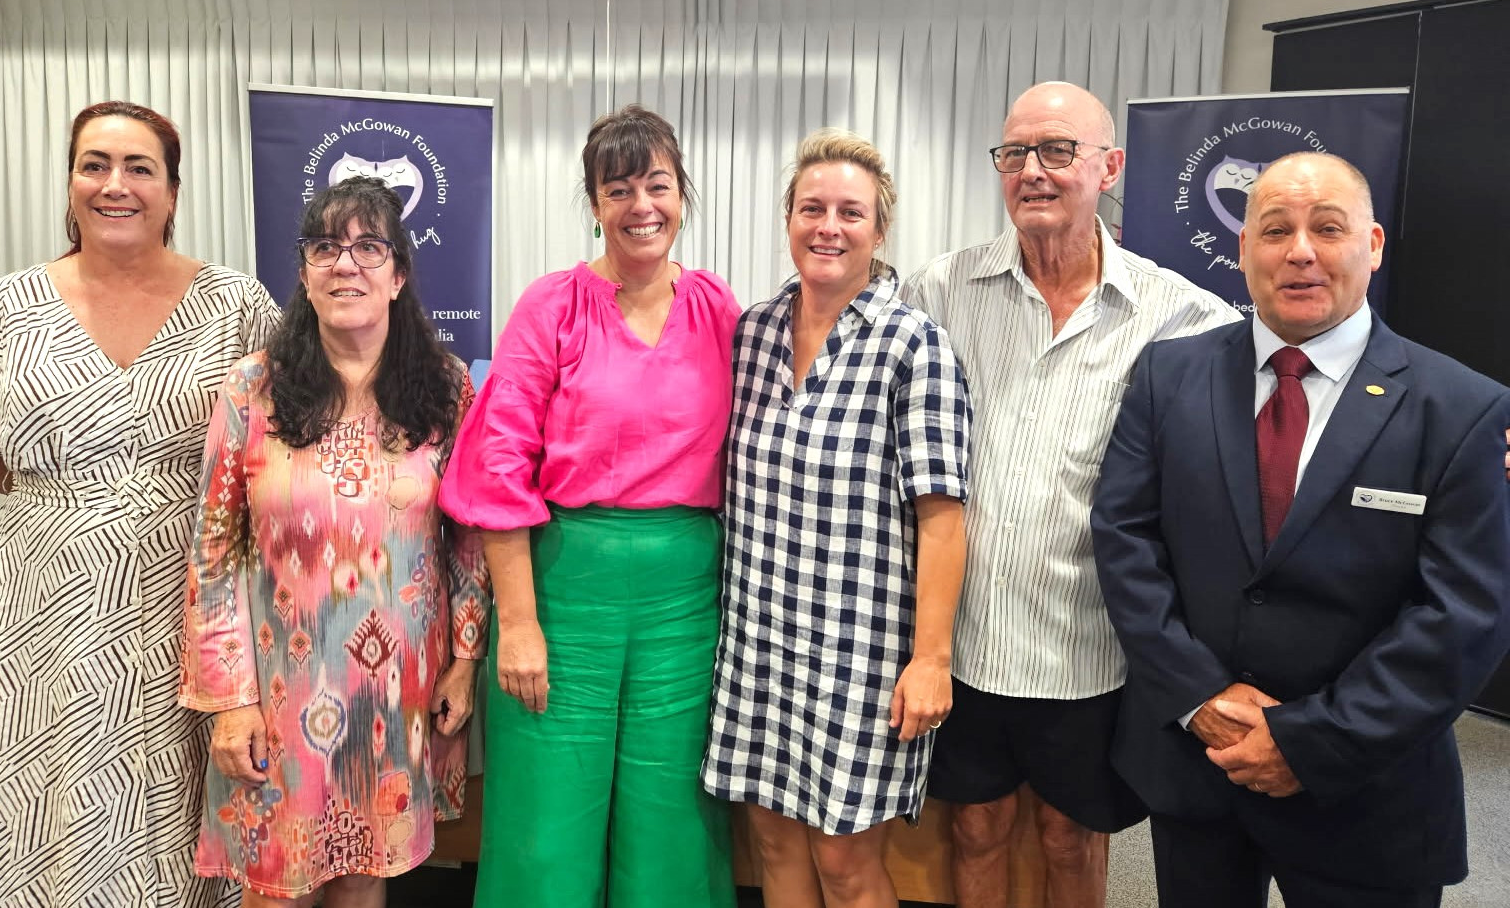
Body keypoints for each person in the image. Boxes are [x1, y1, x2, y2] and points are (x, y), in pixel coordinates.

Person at [1091, 152, 1510, 908]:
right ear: (1245, 248)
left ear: (1373, 244)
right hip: (1199, 766)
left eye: (1328, 228)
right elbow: (1126, 543)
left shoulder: (1460, 408)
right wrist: (1201, 698)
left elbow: (1464, 616)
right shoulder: (1166, 376)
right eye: (1275, 229)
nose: (1301, 251)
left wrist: (1311, 738)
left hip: (1369, 790)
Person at [0, 100, 280, 906]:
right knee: (30, 786)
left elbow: (289, 429)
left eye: (139, 167)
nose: (116, 185)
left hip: (181, 594)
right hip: (35, 601)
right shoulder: (3, 305)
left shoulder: (238, 304)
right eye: (95, 165)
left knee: (162, 794)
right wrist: (51, 485)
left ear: (173, 193)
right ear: (71, 183)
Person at [901, 81, 1239, 908]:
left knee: (1068, 835)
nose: (1034, 172)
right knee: (974, 827)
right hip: (966, 637)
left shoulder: (1179, 313)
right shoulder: (937, 293)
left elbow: (1291, 384)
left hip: (1088, 643)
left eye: (1057, 151)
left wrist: (1450, 437)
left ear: (1109, 166)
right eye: (1015, 153)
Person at [438, 105, 740, 908]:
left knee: (672, 815)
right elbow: (498, 464)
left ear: (683, 193)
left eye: (658, 184)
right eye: (619, 188)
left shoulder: (719, 310)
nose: (642, 205)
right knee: (547, 817)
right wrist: (521, 620)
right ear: (595, 202)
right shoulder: (553, 305)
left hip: (685, 600)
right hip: (563, 590)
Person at [178, 176, 485, 907]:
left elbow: (469, 540)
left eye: (368, 247)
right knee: (276, 884)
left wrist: (466, 658)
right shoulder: (253, 389)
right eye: (326, 247)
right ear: (305, 272)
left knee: (363, 876)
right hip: (282, 690)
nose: (345, 264)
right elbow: (213, 552)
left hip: (396, 688)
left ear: (399, 273)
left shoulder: (445, 390)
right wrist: (229, 701)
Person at [703, 129, 971, 908]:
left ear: (879, 229)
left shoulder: (913, 345)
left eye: (850, 212)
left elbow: (944, 519)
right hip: (758, 640)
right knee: (775, 841)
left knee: (846, 864)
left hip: (860, 655)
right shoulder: (750, 334)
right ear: (788, 218)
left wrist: (932, 658)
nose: (829, 225)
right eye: (811, 207)